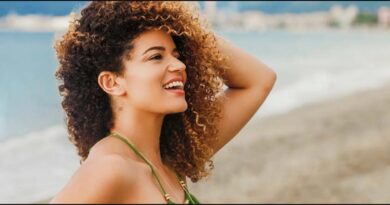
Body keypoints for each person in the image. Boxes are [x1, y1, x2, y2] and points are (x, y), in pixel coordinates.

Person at [50, 1, 276, 204]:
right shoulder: (110, 168)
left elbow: (259, 80)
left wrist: (183, 24)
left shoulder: (173, 158)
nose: (180, 66)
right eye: (156, 57)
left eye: (176, 55)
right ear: (112, 82)